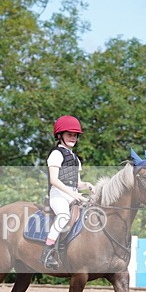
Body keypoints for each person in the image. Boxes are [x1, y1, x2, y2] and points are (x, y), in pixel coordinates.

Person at [41, 115, 94, 270]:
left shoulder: (75, 158)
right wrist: (74, 195)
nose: (73, 137)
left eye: (75, 135)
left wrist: (88, 185)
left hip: (72, 195)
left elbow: (76, 183)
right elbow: (54, 180)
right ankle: (48, 250)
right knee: (63, 216)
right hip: (58, 196)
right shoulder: (56, 154)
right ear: (60, 135)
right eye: (69, 134)